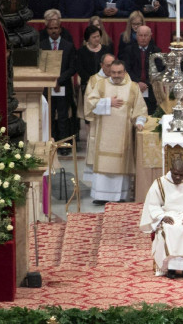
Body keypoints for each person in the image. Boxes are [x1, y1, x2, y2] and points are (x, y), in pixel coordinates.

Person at [85, 59, 147, 203]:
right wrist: (108, 102)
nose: (116, 75)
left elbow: (141, 109)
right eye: (113, 72)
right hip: (104, 135)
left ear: (125, 72)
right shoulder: (101, 85)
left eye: (119, 72)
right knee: (104, 164)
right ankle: (101, 196)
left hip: (123, 135)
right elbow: (90, 104)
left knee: (120, 164)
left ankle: (119, 196)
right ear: (109, 72)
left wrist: (139, 122)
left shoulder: (133, 87)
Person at [139, 158, 183, 278]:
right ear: (171, 170)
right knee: (169, 228)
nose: (178, 177)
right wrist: (162, 216)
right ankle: (170, 268)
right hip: (167, 214)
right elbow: (152, 204)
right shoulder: (160, 183)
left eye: (181, 175)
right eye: (175, 174)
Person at [41, 20, 78, 150]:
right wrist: (50, 81)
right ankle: (50, 145)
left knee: (63, 117)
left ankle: (63, 146)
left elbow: (73, 68)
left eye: (56, 28)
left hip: (63, 87)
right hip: (47, 87)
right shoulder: (42, 45)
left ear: (60, 29)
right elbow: (40, 67)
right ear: (47, 30)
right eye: (51, 28)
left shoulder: (68, 46)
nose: (54, 31)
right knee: (49, 117)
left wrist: (59, 80)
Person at [121, 24, 160, 114]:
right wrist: (137, 82)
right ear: (136, 36)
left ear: (150, 36)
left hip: (150, 90)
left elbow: (158, 70)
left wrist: (146, 83)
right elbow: (127, 69)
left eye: (145, 35)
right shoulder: (128, 50)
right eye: (140, 35)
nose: (143, 38)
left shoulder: (156, 51)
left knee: (150, 116)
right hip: (133, 88)